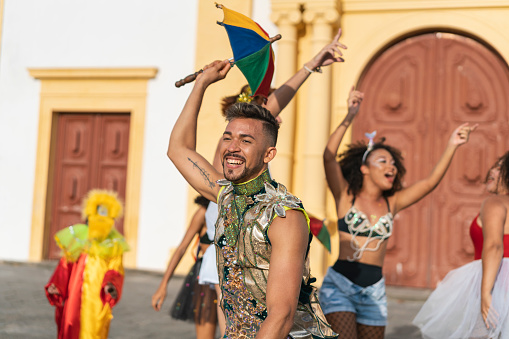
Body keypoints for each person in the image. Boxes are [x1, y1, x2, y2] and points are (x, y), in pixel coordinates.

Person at [166, 39, 347, 336]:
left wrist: (309, 65)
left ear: (268, 154)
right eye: (227, 137)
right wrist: (201, 84)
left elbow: (281, 315)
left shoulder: (283, 215)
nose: (232, 147)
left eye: (246, 141)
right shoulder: (224, 194)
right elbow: (178, 149)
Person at [319, 87, 477, 339]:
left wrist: (452, 145)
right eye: (382, 161)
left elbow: (429, 183)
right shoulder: (345, 196)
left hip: (375, 290)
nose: (390, 166)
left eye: (393, 163)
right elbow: (328, 157)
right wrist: (350, 115)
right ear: (364, 169)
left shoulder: (392, 203)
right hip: (340, 287)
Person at [413, 152, 509, 339]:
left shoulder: (494, 203)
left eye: (499, 167)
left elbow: (494, 246)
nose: (492, 171)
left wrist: (486, 293)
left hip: (496, 282)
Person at [45, 189, 129, 339]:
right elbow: (65, 265)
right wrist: (57, 285)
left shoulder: (114, 245)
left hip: (97, 298)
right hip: (74, 296)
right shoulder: (79, 239)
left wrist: (110, 284)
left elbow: (116, 270)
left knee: (95, 330)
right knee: (70, 324)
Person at [152, 196, 219, 339]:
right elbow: (181, 248)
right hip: (206, 279)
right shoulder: (204, 211)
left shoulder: (239, 206)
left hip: (232, 278)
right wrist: (163, 285)